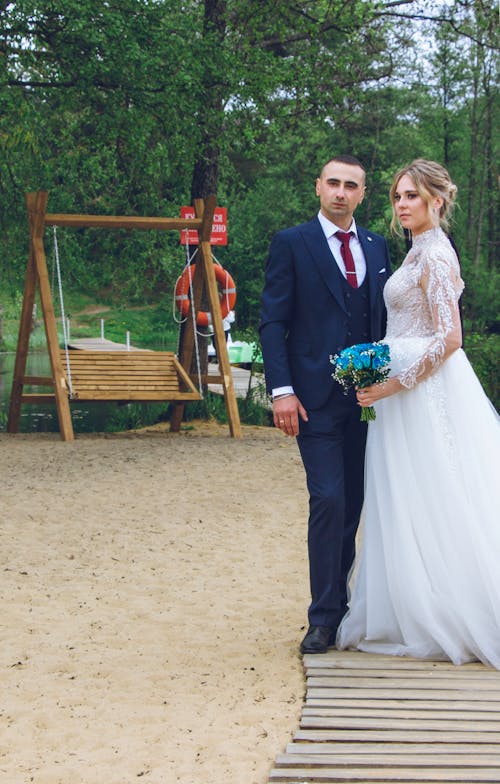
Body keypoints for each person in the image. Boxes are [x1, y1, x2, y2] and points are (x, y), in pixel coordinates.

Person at [336, 159, 500, 669]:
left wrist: (389, 383)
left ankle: (452, 608)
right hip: (399, 396)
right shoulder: (415, 253)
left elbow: (450, 338)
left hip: (421, 394)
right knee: (406, 496)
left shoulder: (436, 257)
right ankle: (412, 603)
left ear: (437, 201)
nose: (402, 205)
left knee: (439, 491)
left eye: (411, 196)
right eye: (397, 197)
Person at [259, 155, 392, 654]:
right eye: (332, 183)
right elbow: (273, 322)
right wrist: (281, 390)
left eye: (350, 186)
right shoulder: (292, 243)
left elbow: (385, 320)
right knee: (328, 500)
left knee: (354, 505)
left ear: (362, 194)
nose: (340, 192)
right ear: (318, 187)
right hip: (312, 401)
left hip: (369, 400)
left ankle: (342, 606)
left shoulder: (378, 247)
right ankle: (322, 617)